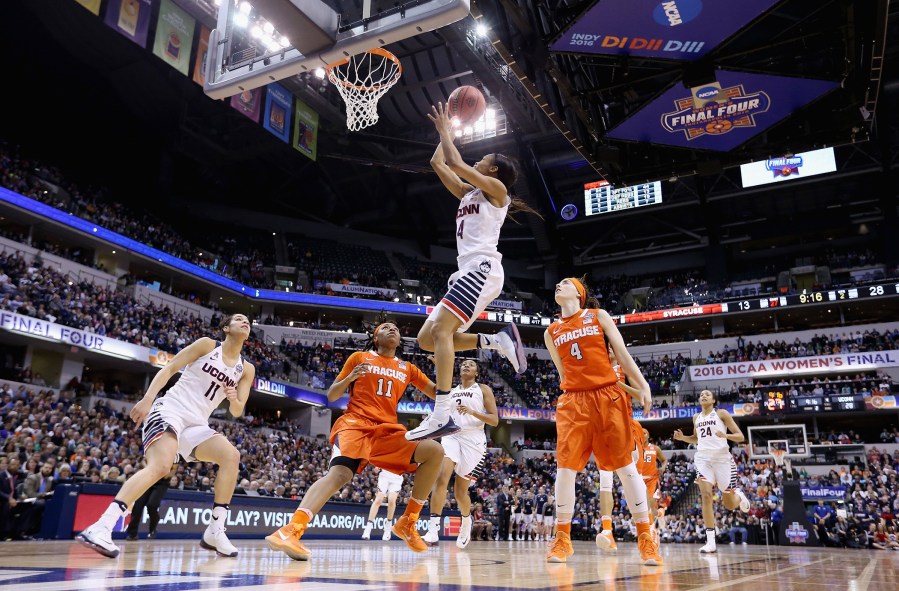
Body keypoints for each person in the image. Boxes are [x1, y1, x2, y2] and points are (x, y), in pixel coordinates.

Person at [406, 102, 542, 442]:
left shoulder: (498, 193)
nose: (480, 160)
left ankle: (441, 413)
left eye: (485, 160)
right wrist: (449, 130)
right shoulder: (469, 194)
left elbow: (456, 161)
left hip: (481, 270)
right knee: (427, 340)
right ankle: (496, 340)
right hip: (466, 272)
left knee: (441, 333)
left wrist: (445, 129)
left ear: (494, 171)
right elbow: (439, 162)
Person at [76, 314, 256, 558]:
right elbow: (171, 367)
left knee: (231, 456)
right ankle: (102, 526)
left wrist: (234, 398)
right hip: (171, 409)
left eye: (247, 320)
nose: (245, 322)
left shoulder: (246, 369)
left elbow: (237, 411)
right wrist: (148, 398)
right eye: (238, 319)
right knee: (161, 466)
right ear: (226, 328)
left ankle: (215, 530)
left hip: (196, 423)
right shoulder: (207, 345)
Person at [265, 321, 446, 560]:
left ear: (400, 340)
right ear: (375, 337)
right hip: (356, 423)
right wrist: (349, 377)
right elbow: (332, 395)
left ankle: (408, 522)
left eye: (396, 328)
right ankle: (292, 530)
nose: (393, 329)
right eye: (385, 327)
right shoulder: (359, 358)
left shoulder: (408, 367)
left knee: (434, 451)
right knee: (340, 475)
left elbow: (440, 394)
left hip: (387, 431)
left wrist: (444, 367)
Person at [543, 276, 662, 565]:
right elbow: (563, 374)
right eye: (557, 283)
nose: (559, 286)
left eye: (565, 283)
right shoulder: (551, 331)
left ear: (579, 294)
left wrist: (643, 385)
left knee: (625, 467)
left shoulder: (598, 316)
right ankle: (562, 539)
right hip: (573, 401)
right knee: (565, 469)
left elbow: (622, 353)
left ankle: (645, 538)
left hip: (607, 396)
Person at [423, 359, 498, 548]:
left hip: (474, 440)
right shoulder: (451, 391)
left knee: (460, 492)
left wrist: (473, 412)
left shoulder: (483, 389)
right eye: (463, 364)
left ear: (477, 373)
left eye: (471, 364)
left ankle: (466, 521)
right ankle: (433, 530)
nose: (466, 366)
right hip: (452, 436)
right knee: (441, 477)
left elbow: (494, 420)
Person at [673, 389, 751, 554]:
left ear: (714, 400)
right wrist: (683, 438)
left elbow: (740, 436)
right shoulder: (696, 417)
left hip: (723, 460)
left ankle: (740, 496)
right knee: (706, 496)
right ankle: (710, 542)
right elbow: (696, 438)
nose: (703, 396)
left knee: (729, 505)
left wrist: (725, 436)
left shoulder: (721, 414)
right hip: (703, 459)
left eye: (707, 394)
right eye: (701, 394)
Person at [125, 465, 175, 540]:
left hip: (161, 483)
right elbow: (144, 461)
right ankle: (132, 534)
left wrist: (164, 474)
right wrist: (150, 468)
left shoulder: (174, 455)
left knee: (152, 505)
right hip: (148, 479)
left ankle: (152, 529)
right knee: (138, 506)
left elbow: (173, 471)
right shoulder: (153, 452)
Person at [361, 467, 404, 541]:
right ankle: (368, 528)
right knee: (378, 499)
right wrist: (377, 467)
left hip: (397, 475)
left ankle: (388, 528)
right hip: (385, 474)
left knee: (391, 500)